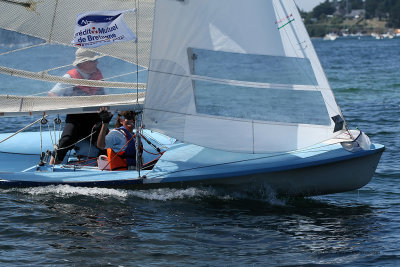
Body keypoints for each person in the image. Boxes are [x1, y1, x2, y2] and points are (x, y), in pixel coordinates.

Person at [49, 48, 105, 164]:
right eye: (94, 61)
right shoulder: (69, 77)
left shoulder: (98, 75)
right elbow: (52, 95)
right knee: (66, 140)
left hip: (95, 118)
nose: (97, 63)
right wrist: (68, 103)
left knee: (104, 139)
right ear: (84, 63)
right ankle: (52, 165)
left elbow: (104, 96)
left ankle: (106, 166)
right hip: (76, 118)